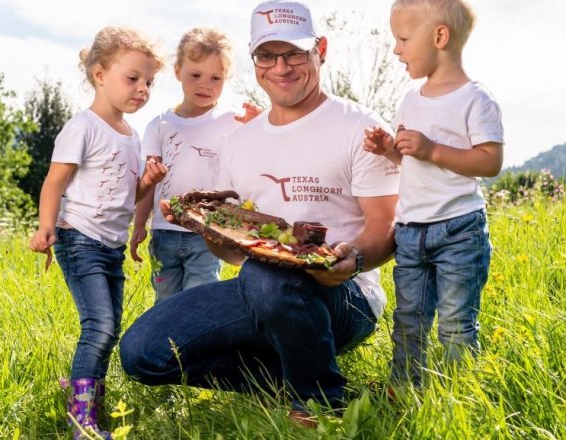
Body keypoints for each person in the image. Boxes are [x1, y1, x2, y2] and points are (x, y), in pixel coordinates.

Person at [119, 0, 400, 427]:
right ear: (254, 61)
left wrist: (354, 259)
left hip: (347, 296)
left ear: (320, 50)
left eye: (294, 53)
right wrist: (204, 225)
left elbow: (386, 228)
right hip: (262, 290)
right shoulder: (240, 141)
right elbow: (234, 256)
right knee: (143, 352)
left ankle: (320, 403)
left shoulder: (357, 125)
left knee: (264, 275)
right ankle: (299, 381)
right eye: (267, 56)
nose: (281, 67)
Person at [28, 26, 168, 439]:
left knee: (111, 327)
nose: (142, 88)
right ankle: (80, 421)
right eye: (133, 78)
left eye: (149, 82)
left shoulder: (132, 136)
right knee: (99, 326)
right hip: (79, 239)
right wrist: (46, 226)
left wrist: (148, 182)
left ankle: (89, 400)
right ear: (100, 75)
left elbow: (129, 193)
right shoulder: (82, 127)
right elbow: (54, 182)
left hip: (109, 247)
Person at [363, 0, 504, 389]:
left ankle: (459, 394)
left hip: (459, 229)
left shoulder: (476, 98)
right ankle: (404, 387)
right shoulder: (411, 99)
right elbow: (410, 157)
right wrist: (389, 148)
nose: (396, 49)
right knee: (408, 319)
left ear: (439, 37)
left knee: (456, 323)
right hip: (411, 230)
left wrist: (431, 150)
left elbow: (490, 161)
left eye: (403, 38)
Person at [130, 27, 261, 303]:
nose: (206, 84)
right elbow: (149, 180)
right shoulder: (160, 125)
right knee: (164, 300)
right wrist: (139, 224)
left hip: (208, 235)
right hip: (164, 233)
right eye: (195, 75)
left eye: (216, 78)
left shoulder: (232, 121)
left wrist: (256, 128)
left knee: (197, 300)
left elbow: (254, 164)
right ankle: (165, 346)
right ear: (178, 72)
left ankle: (193, 347)